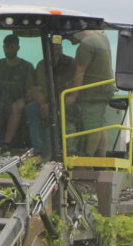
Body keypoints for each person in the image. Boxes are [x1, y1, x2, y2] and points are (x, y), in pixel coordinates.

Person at [64, 29, 115, 157]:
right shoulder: (102, 36)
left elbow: (80, 72)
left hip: (93, 93)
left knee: (92, 125)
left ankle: (86, 159)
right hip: (105, 89)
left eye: (68, 37)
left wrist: (73, 95)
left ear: (74, 31)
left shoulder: (86, 45)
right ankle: (101, 159)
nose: (69, 41)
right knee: (99, 125)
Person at [24, 36, 77, 158]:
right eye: (54, 46)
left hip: (65, 102)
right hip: (45, 102)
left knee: (61, 114)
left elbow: (69, 87)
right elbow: (36, 88)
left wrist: (52, 105)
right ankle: (37, 150)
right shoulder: (42, 65)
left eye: (59, 46)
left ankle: (65, 151)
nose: (57, 48)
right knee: (31, 108)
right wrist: (43, 104)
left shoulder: (70, 63)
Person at [0, 34, 35, 155]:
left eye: (11, 47)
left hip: (17, 101)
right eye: (6, 47)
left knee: (16, 108)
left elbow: (31, 91)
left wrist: (24, 100)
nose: (8, 50)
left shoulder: (27, 67)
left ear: (17, 48)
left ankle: (6, 145)